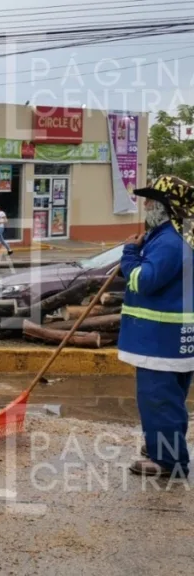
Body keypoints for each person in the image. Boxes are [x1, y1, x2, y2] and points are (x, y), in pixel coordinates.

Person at [118, 174, 194, 478]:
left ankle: (168, 462)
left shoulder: (170, 241)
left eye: (149, 200)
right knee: (168, 401)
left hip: (161, 339)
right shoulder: (182, 235)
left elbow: (144, 281)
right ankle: (160, 446)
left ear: (164, 206)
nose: (145, 205)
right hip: (175, 340)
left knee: (158, 400)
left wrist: (130, 254)